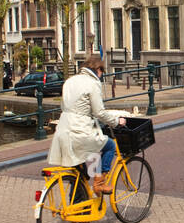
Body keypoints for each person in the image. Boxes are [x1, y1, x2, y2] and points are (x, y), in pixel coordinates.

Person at [47, 54, 131, 195]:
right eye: (101, 73)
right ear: (98, 69)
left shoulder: (70, 81)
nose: (101, 76)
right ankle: (99, 183)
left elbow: (66, 106)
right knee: (109, 145)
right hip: (79, 131)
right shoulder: (93, 83)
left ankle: (80, 208)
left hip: (63, 131)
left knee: (80, 173)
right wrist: (117, 122)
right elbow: (99, 112)